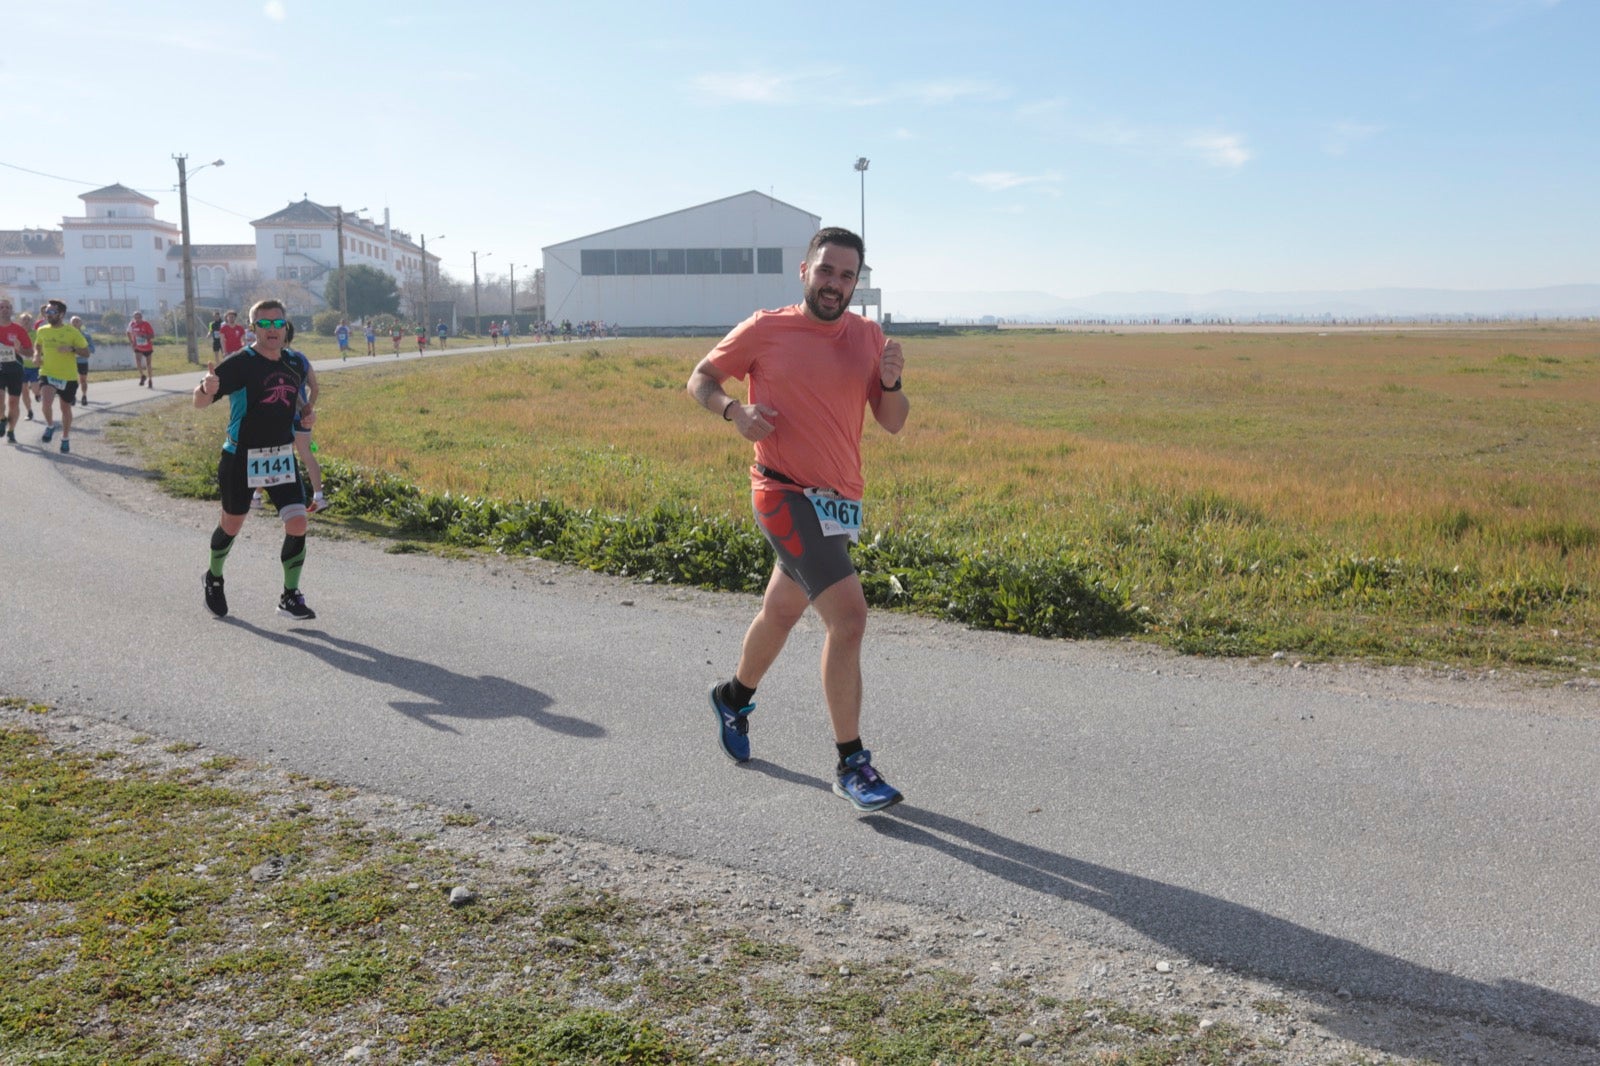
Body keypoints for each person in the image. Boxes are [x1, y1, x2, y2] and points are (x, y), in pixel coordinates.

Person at [686, 227, 910, 813]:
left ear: (856, 282)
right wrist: (734, 410)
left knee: (782, 611)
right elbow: (700, 379)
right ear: (804, 269)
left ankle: (732, 697)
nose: (836, 284)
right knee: (850, 618)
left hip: (838, 502)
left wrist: (890, 381)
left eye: (847, 276)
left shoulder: (868, 335)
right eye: (827, 270)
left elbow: (892, 421)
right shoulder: (766, 328)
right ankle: (851, 763)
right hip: (781, 492)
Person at [193, 298, 317, 621]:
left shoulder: (294, 363)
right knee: (232, 524)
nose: (272, 330)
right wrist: (207, 389)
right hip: (240, 457)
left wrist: (305, 415)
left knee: (298, 521)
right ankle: (214, 577)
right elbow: (199, 402)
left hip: (280, 456)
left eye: (278, 323)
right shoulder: (240, 363)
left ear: (285, 327)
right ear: (253, 329)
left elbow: (298, 401)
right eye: (264, 324)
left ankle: (290, 596)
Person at [33, 299, 90, 454]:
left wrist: (72, 348)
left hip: (68, 376)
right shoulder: (42, 330)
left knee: (65, 408)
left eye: (52, 312)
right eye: (46, 312)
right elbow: (38, 345)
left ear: (61, 314)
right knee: (46, 403)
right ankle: (51, 426)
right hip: (47, 373)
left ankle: (65, 438)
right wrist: (37, 355)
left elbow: (86, 352)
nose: (48, 314)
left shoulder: (72, 332)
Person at [0, 297, 34, 443]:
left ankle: (11, 430)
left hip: (15, 368)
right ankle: (2, 419)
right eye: (1, 307)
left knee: (13, 402)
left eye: (7, 307)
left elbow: (30, 352)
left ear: (11, 310)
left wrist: (19, 349)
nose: (4, 309)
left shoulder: (18, 330)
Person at [16, 311, 39, 420]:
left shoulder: (37, 333)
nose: (25, 321)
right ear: (19, 322)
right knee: (24, 390)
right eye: (23, 319)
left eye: (27, 319)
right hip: (21, 367)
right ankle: (29, 412)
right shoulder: (16, 334)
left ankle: (37, 394)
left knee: (35, 388)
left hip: (34, 366)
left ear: (31, 322)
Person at [127, 310, 156, 387]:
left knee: (148, 364)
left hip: (147, 347)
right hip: (138, 347)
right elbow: (128, 332)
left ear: (141, 317)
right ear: (133, 318)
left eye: (138, 317)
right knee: (138, 361)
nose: (137, 319)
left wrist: (145, 336)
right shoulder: (132, 324)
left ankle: (150, 380)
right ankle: (142, 376)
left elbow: (152, 335)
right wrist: (132, 342)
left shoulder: (146, 324)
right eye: (135, 318)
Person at [70, 315, 94, 404]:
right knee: (71, 380)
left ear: (81, 323)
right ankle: (72, 396)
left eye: (77, 321)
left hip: (82, 361)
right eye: (73, 321)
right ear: (70, 323)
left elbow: (92, 348)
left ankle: (84, 396)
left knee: (83, 380)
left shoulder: (86, 336)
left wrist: (82, 351)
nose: (75, 323)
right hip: (70, 361)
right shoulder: (67, 335)